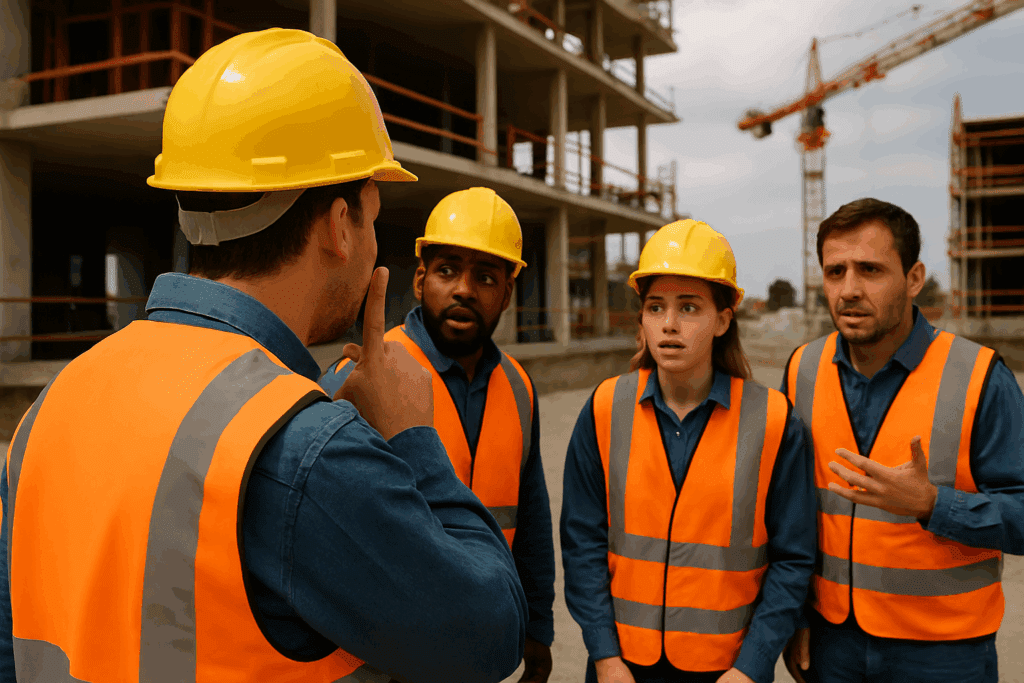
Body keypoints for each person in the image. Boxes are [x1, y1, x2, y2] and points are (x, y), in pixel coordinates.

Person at [0, 29, 527, 683]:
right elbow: (491, 632)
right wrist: (413, 437)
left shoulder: (52, 403)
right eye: (372, 217)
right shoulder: (305, 446)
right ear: (339, 225)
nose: (370, 247)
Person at [561, 219, 817, 683]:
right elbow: (582, 542)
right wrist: (604, 655)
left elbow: (793, 558)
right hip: (621, 667)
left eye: (689, 308)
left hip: (725, 671)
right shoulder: (604, 408)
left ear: (723, 320)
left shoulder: (774, 421)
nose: (670, 325)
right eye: (655, 307)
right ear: (641, 318)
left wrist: (753, 665)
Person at [780, 197, 1024, 683]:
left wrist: (934, 504)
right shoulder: (802, 369)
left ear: (914, 279)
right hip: (832, 644)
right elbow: (788, 512)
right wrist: (794, 615)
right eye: (835, 272)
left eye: (870, 270)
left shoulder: (978, 378)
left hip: (944, 652)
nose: (848, 290)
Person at [321, 187, 556, 683]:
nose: (465, 289)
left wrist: (537, 628)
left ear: (507, 294)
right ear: (422, 278)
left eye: (486, 277)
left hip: (482, 641)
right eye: (448, 271)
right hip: (385, 654)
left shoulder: (518, 386)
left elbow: (531, 520)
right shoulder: (365, 370)